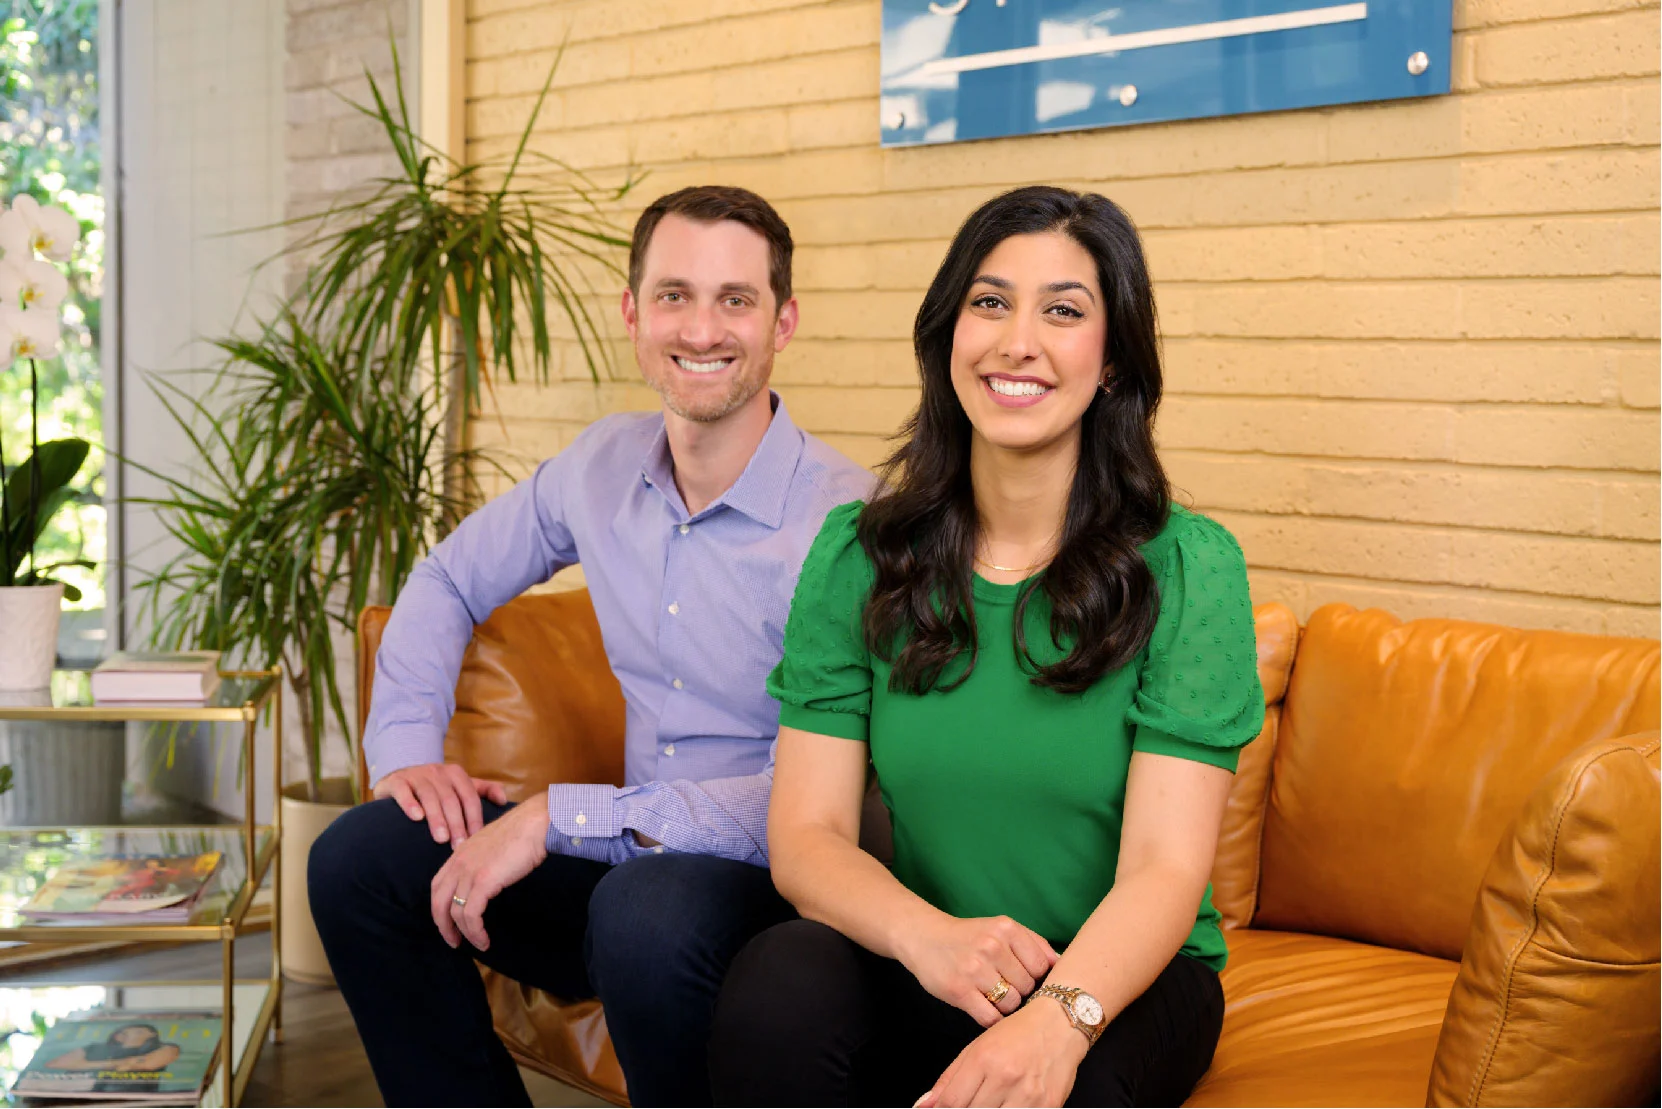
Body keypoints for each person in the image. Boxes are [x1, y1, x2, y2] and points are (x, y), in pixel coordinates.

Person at [308, 185, 872, 1107]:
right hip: (623, 864)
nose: (702, 327)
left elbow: (814, 797)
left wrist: (557, 816)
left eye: (737, 299)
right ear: (633, 312)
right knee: (360, 860)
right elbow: (446, 577)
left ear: (784, 322)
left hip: (773, 889)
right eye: (674, 294)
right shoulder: (600, 465)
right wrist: (407, 749)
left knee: (646, 912)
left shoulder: (847, 522)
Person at [707, 186, 1265, 1107]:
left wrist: (1056, 1021)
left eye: (1063, 311)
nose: (1018, 341)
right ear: (948, 334)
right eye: (991, 301)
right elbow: (806, 838)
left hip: (1120, 982)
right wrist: (927, 937)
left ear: (1114, 359)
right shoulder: (859, 555)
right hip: (945, 958)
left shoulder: (1189, 569)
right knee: (780, 977)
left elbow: (1166, 868)